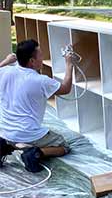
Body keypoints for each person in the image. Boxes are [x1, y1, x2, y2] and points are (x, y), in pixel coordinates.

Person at [0, 40, 74, 172]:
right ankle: (36, 153)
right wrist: (69, 64)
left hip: (5, 130)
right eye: (40, 55)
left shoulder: (5, 71)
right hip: (27, 133)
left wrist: (6, 60)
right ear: (32, 61)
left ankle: (6, 146)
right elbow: (66, 88)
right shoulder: (40, 81)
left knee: (13, 138)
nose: (42, 58)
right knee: (64, 146)